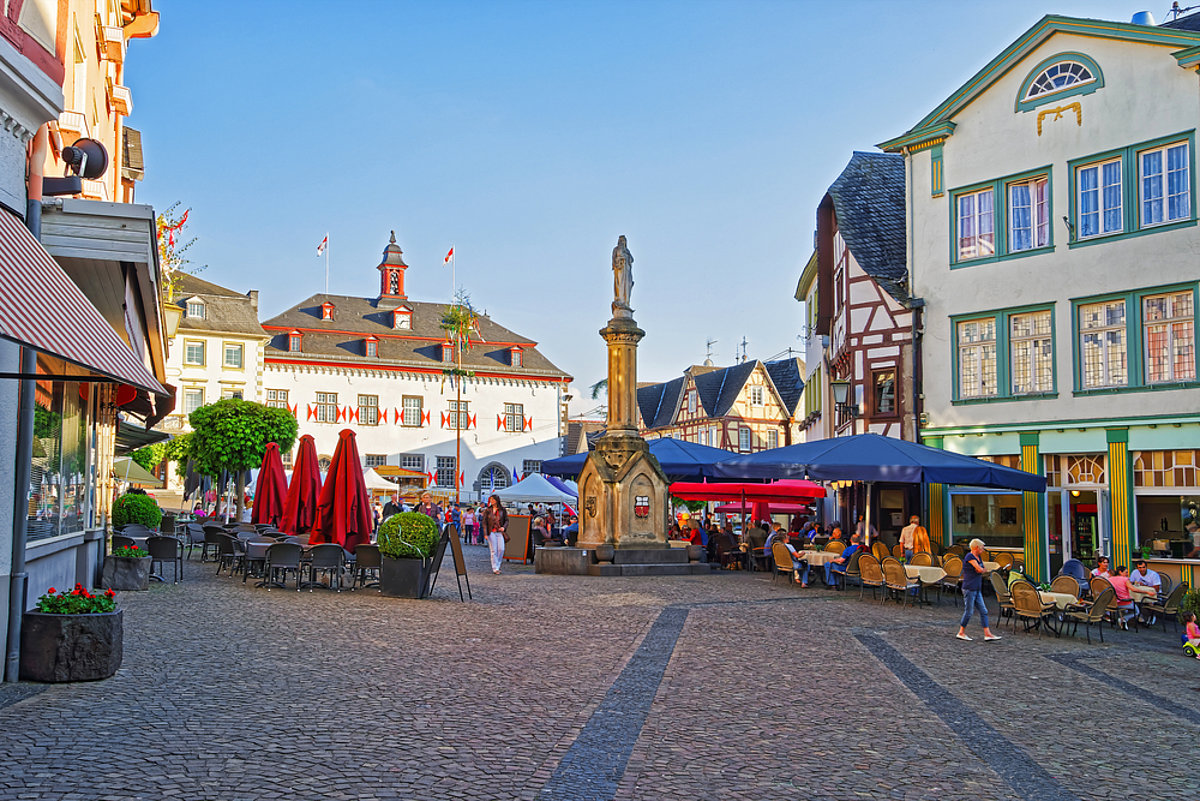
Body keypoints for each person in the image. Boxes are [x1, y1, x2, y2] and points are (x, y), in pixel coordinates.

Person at [956, 538, 1001, 642]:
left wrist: (980, 569)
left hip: (976, 587)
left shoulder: (978, 557)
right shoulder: (969, 556)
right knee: (969, 612)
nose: (983, 550)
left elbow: (982, 569)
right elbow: (980, 569)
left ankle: (987, 633)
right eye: (982, 548)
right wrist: (980, 569)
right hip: (969, 587)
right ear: (976, 547)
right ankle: (961, 632)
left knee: (984, 611)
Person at [482, 494, 509, 574]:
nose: (491, 501)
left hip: (499, 531)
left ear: (497, 500)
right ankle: (495, 568)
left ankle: (498, 564)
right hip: (491, 532)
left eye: (493, 500)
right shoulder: (488, 510)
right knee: (493, 550)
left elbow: (507, 520)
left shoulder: (502, 510)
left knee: (501, 549)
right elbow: (484, 522)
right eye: (491, 500)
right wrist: (485, 533)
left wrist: (504, 527)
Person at [1107, 565, 1137, 629]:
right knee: (1137, 611)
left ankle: (1121, 618)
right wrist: (1147, 592)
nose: (1127, 574)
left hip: (1112, 603)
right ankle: (1124, 618)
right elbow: (1133, 589)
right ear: (1120, 572)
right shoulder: (1125, 579)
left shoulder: (1109, 579)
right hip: (1124, 602)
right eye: (1126, 572)